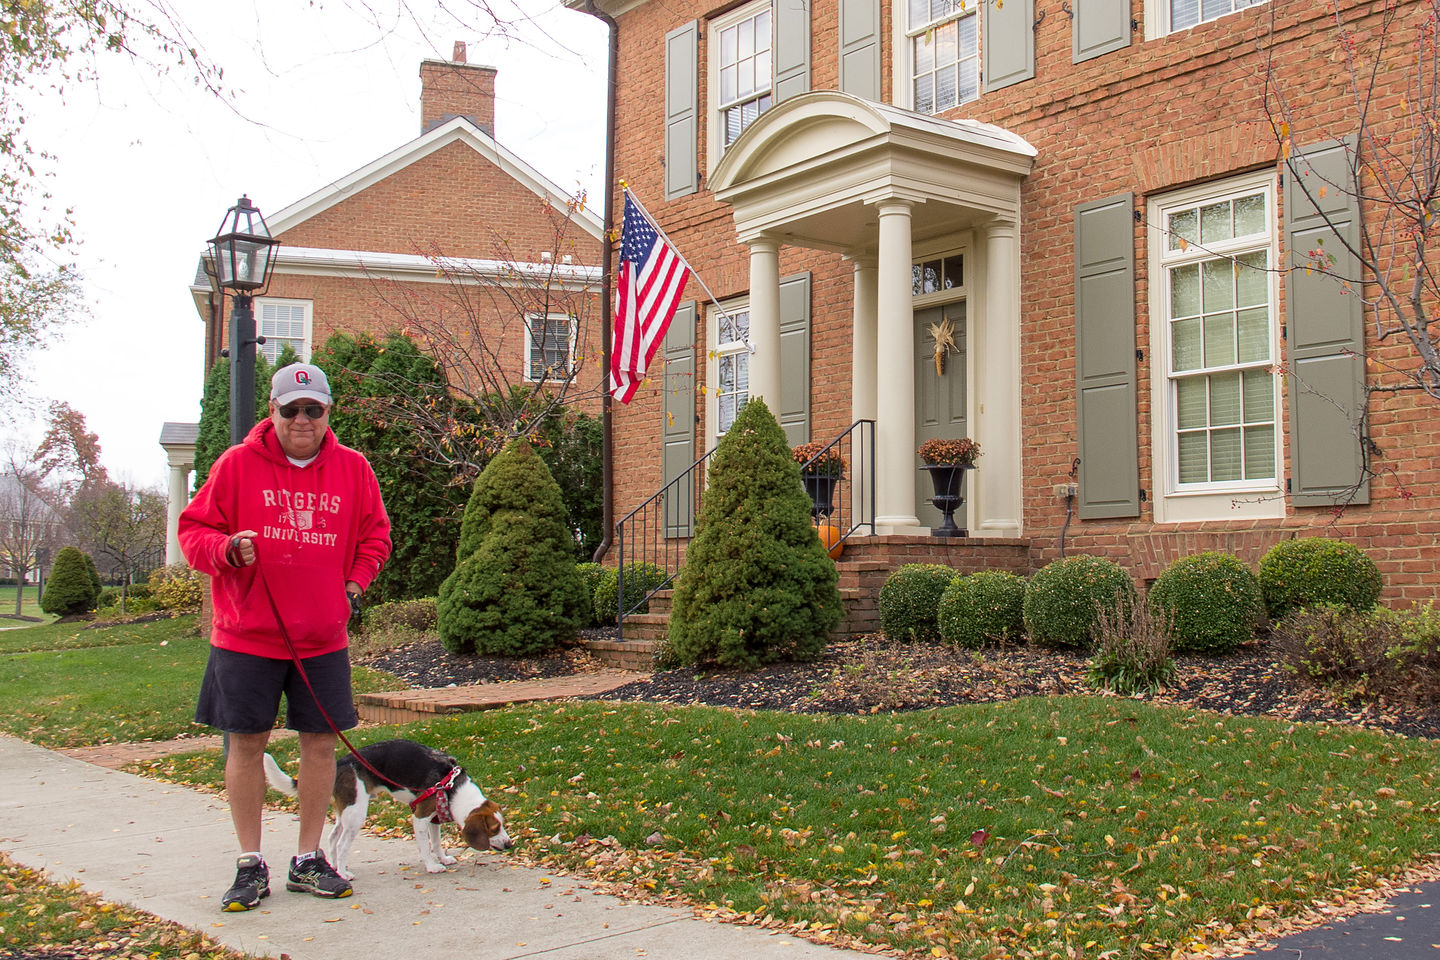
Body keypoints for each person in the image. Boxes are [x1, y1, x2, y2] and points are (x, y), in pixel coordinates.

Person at [179, 361, 392, 912]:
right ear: (271, 411)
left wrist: (352, 586)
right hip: (245, 637)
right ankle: (250, 864)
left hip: (321, 638)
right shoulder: (236, 465)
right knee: (245, 744)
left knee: (320, 745)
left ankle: (307, 859)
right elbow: (194, 530)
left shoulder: (353, 469)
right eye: (290, 409)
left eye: (313, 409)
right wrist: (226, 550)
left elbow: (375, 536)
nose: (302, 419)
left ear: (328, 413)